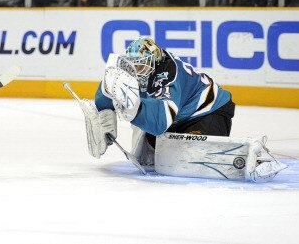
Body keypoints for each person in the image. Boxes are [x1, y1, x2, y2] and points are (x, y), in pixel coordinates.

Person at [79, 36, 285, 181]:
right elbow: (107, 89)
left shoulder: (169, 72)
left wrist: (131, 110)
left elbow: (160, 122)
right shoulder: (133, 70)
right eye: (133, 65)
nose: (137, 71)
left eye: (142, 65)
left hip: (208, 111)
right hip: (178, 116)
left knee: (192, 152)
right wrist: (105, 113)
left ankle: (251, 158)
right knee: (158, 152)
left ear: (155, 61)